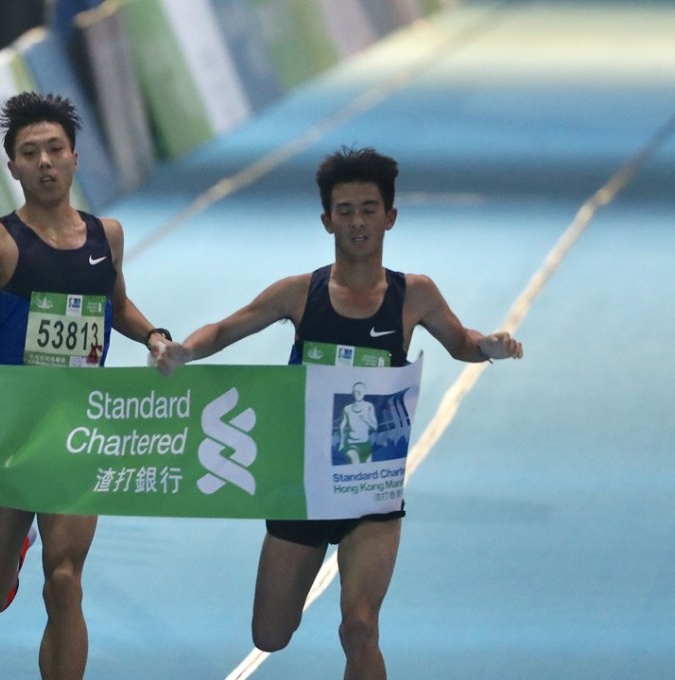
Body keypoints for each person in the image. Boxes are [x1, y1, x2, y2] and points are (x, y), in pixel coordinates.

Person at [155, 147, 523, 679]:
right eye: (345, 210)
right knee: (270, 634)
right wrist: (185, 350)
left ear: (389, 217)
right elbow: (226, 328)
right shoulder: (299, 294)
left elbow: (460, 340)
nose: (357, 221)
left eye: (369, 209)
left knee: (360, 626)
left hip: (371, 488)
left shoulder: (413, 295)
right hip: (301, 487)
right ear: (327, 219)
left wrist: (487, 346)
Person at [0, 92, 169, 680]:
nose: (44, 162)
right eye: (29, 153)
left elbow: (116, 306)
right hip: (10, 432)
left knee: (65, 578)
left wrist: (154, 337)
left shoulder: (107, 236)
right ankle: (15, 545)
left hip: (79, 428)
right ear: (12, 166)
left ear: (74, 157)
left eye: (54, 149)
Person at [339, 381, 377, 465]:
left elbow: (375, 427)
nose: (358, 393)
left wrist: (366, 420)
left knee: (368, 469)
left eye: (360, 391)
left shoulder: (369, 406)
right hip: (351, 444)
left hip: (365, 444)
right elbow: (342, 426)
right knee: (355, 465)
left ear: (364, 392)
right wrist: (341, 443)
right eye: (356, 391)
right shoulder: (347, 409)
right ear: (352, 393)